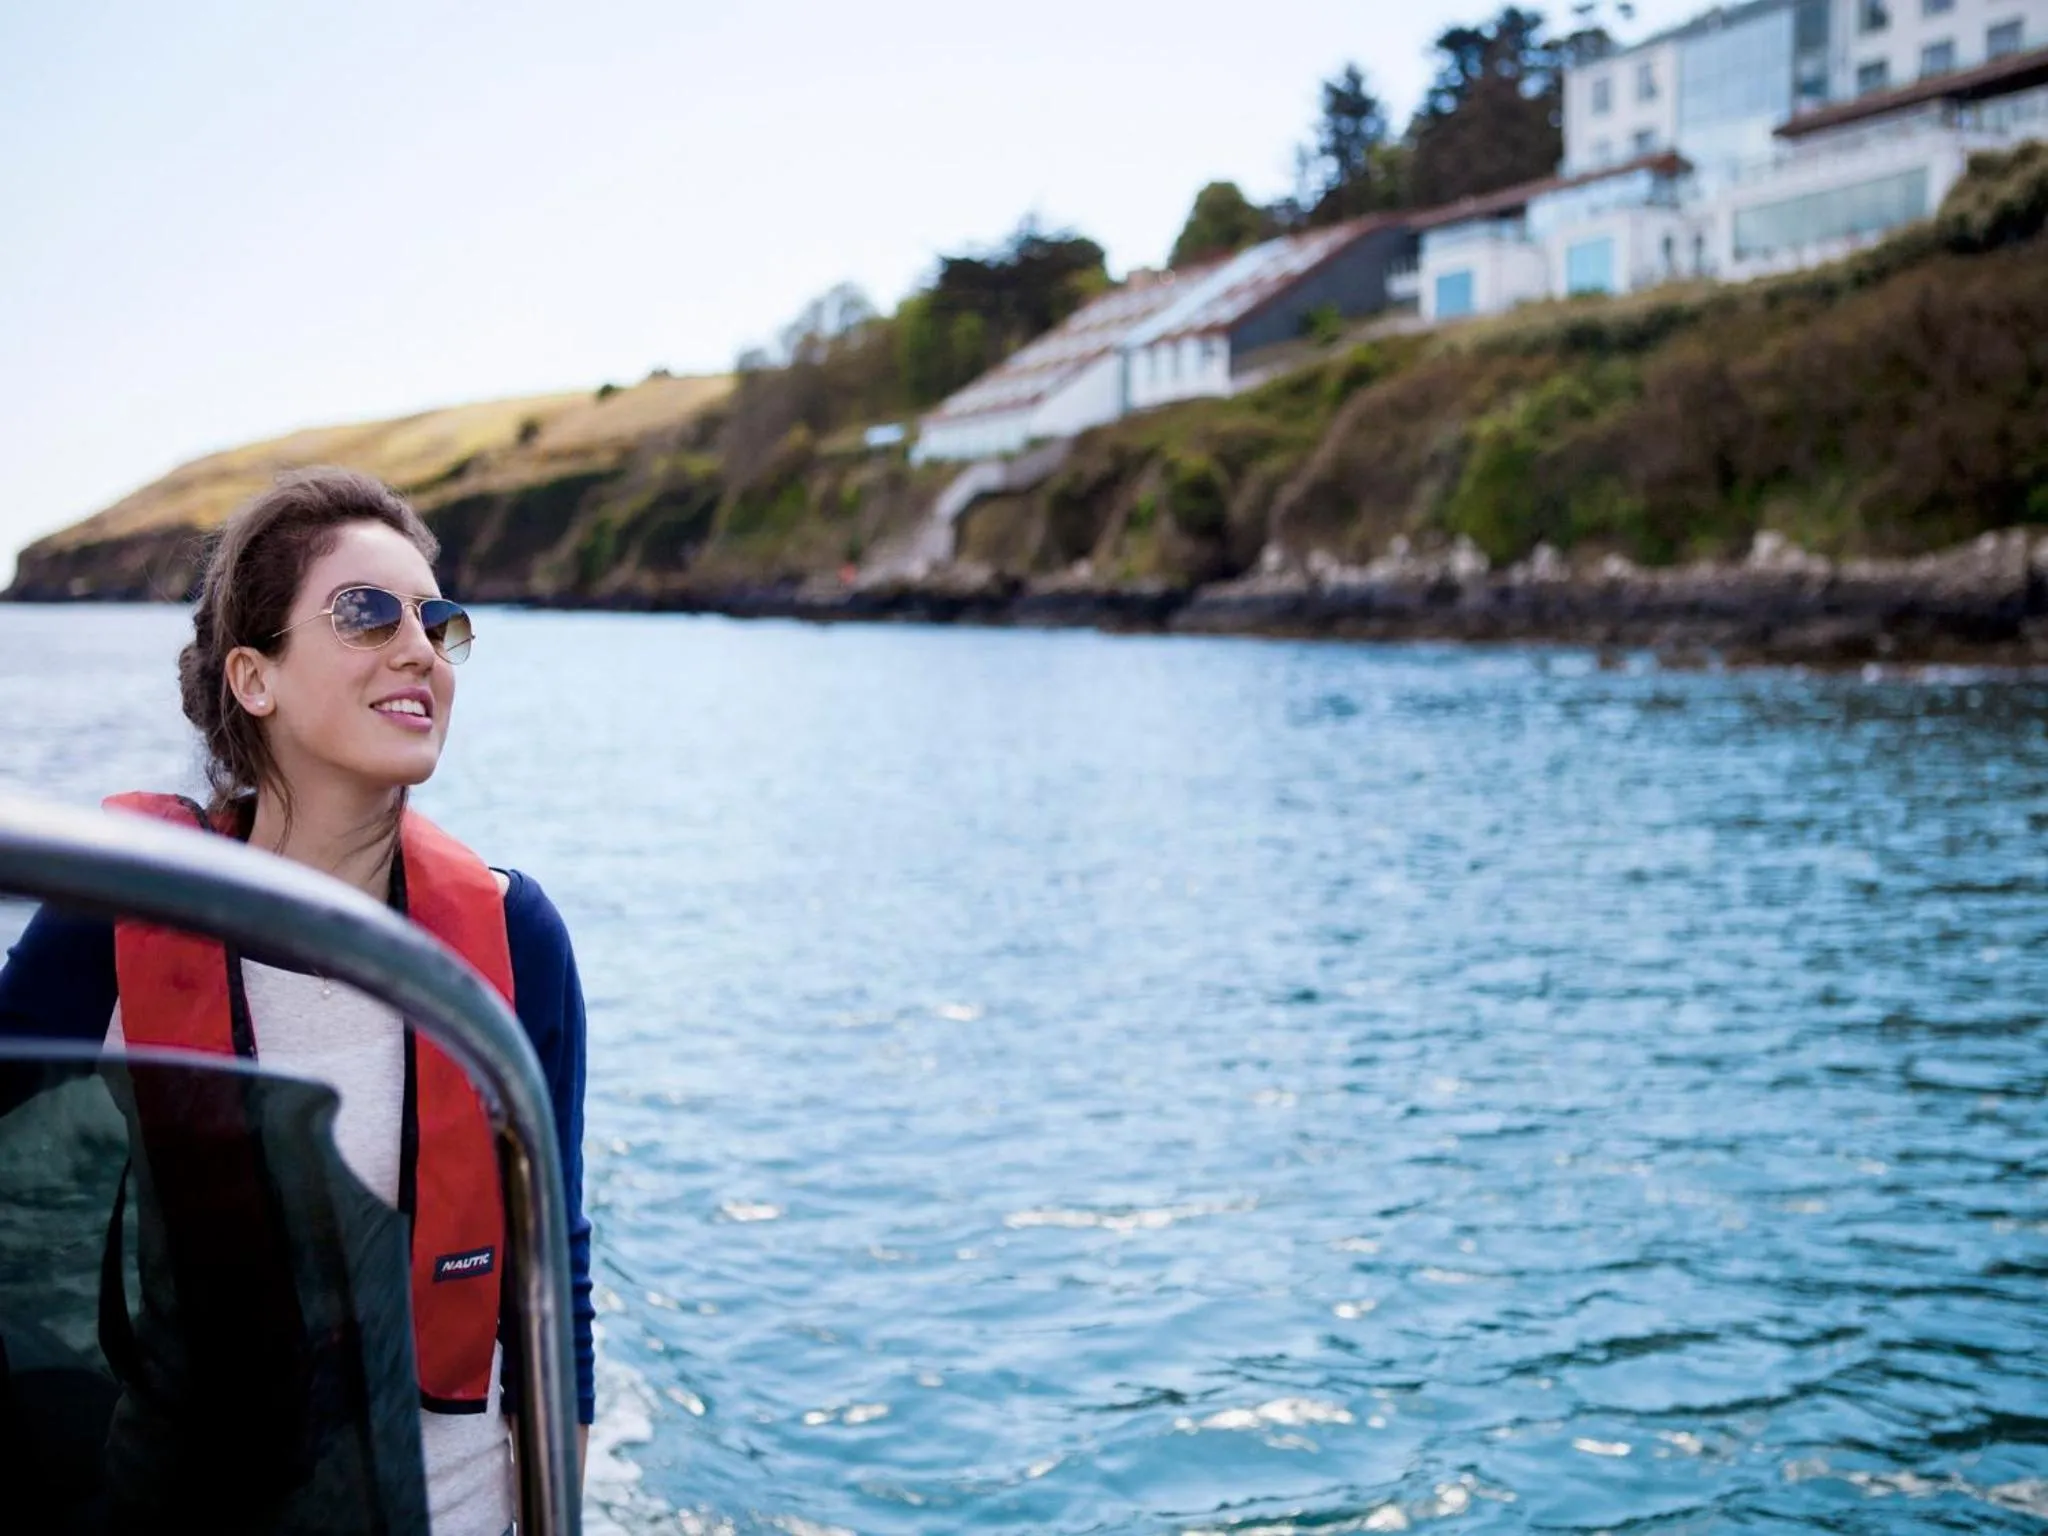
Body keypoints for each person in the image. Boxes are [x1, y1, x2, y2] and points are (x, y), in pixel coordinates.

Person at [0, 467, 595, 1535]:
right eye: (366, 613)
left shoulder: (517, 941)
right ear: (253, 677)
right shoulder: (109, 920)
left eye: (439, 620)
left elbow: (559, 1283)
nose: (419, 646)